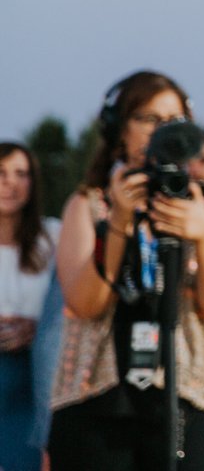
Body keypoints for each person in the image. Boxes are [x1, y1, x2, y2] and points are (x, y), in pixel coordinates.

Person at [48, 71, 204, 471]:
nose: (162, 132)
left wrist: (203, 234)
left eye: (174, 121)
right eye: (149, 119)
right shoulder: (87, 204)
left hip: (189, 394)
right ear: (119, 128)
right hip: (96, 395)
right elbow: (85, 303)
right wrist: (119, 220)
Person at [0, 141, 60, 471]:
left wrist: (36, 328)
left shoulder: (53, 236)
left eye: (21, 174)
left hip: (37, 379)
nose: (10, 183)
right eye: (1, 173)